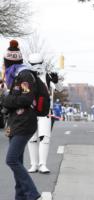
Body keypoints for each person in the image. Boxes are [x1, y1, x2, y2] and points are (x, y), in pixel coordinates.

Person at [2, 40, 41, 200]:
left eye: (4, 62)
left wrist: (5, 100)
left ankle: (32, 194)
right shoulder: (13, 76)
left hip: (25, 121)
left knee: (11, 159)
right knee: (18, 161)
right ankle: (20, 197)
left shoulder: (24, 75)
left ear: (9, 61)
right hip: (15, 121)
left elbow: (26, 98)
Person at [27, 53, 64, 174]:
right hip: (31, 110)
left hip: (45, 111)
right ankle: (34, 164)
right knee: (31, 139)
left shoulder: (48, 75)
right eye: (34, 64)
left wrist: (56, 81)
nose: (36, 67)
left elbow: (60, 88)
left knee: (44, 138)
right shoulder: (26, 75)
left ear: (43, 63)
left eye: (38, 64)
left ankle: (42, 164)